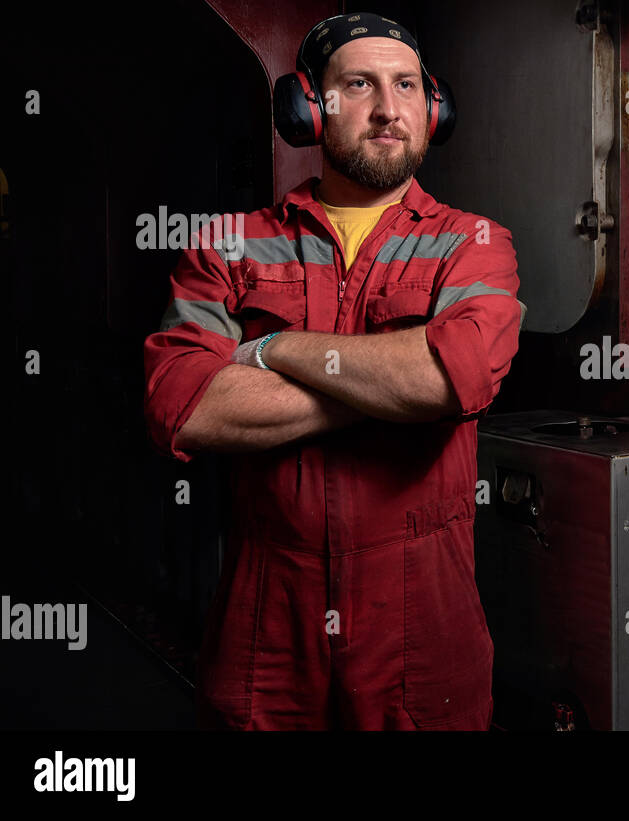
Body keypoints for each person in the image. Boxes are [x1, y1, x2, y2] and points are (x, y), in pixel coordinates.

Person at [142, 12, 523, 730]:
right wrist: (395, 387)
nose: (388, 108)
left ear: (431, 108)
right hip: (267, 631)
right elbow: (180, 406)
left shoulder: (471, 243)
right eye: (360, 84)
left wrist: (271, 350)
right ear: (310, 108)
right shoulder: (231, 246)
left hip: (422, 632)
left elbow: (451, 378)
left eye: (406, 85)